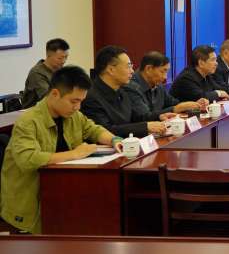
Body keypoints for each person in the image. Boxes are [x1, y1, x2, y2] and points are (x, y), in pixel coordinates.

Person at [1, 66, 123, 234]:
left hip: (63, 193)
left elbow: (93, 129)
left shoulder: (73, 115)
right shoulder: (28, 122)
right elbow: (28, 159)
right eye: (74, 101)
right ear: (55, 94)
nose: (78, 107)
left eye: (81, 101)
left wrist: (114, 140)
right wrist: (75, 154)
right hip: (32, 203)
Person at [81, 46, 171, 138]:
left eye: (131, 66)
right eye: (128, 67)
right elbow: (105, 130)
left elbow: (137, 117)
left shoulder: (124, 90)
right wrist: (145, 127)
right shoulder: (90, 97)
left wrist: (159, 116)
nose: (132, 71)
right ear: (111, 70)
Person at [123, 51, 209, 119]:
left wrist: (191, 105)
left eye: (167, 72)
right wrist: (176, 108)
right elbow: (144, 116)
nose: (165, 77)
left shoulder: (158, 84)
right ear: (148, 69)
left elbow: (172, 102)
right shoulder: (131, 86)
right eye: (162, 71)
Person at [20, 38, 70, 108]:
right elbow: (48, 97)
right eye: (60, 58)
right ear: (48, 55)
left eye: (66, 57)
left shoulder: (60, 69)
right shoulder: (37, 73)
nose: (63, 61)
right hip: (35, 110)